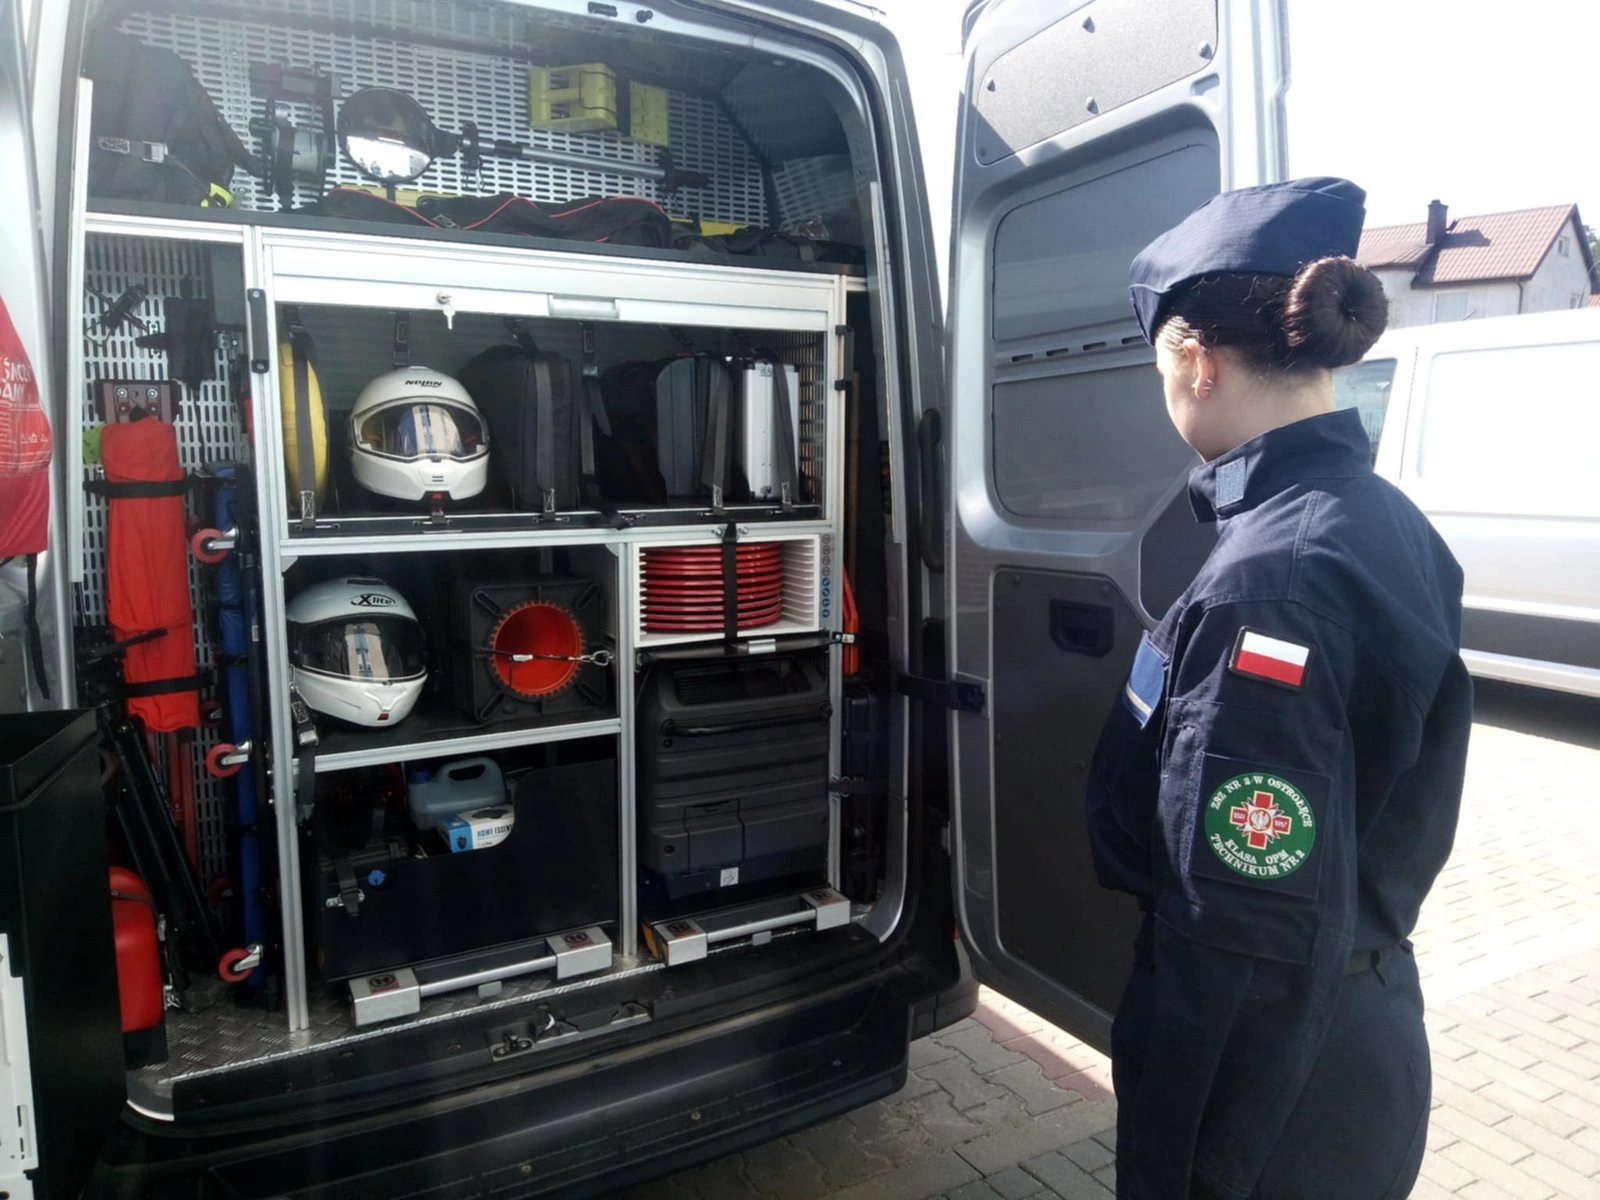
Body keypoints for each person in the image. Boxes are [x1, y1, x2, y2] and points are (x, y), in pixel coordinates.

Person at [1086, 177, 1473, 1199]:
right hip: (1347, 1032)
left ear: (1195, 361)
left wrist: (1193, 1153)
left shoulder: (1272, 579)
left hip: (1266, 1068)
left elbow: (1243, 931)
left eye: (1159, 368)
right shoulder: (1378, 517)